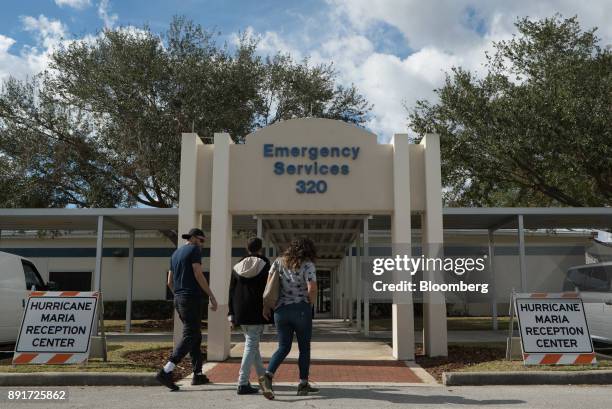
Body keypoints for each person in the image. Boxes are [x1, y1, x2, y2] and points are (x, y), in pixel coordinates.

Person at [156, 228, 218, 391]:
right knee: (191, 335)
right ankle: (166, 370)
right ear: (194, 238)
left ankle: (197, 374)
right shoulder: (194, 250)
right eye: (202, 240)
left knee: (195, 336)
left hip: (179, 298)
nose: (202, 244)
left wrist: (178, 295)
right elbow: (198, 274)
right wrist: (211, 295)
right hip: (191, 298)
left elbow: (169, 281)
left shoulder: (175, 254)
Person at [260, 238, 319, 400]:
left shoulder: (278, 262)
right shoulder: (307, 265)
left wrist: (266, 306)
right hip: (301, 309)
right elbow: (312, 287)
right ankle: (303, 384)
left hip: (281, 311)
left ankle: (267, 376)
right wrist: (310, 302)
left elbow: (269, 286)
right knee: (304, 348)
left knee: (283, 347)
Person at [228, 237, 271, 395]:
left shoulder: (237, 266)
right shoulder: (265, 264)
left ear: (247, 248)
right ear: (261, 248)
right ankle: (242, 382)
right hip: (256, 310)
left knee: (253, 346)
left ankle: (263, 379)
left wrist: (231, 314)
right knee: (251, 344)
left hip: (240, 310)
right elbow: (270, 288)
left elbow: (231, 291)